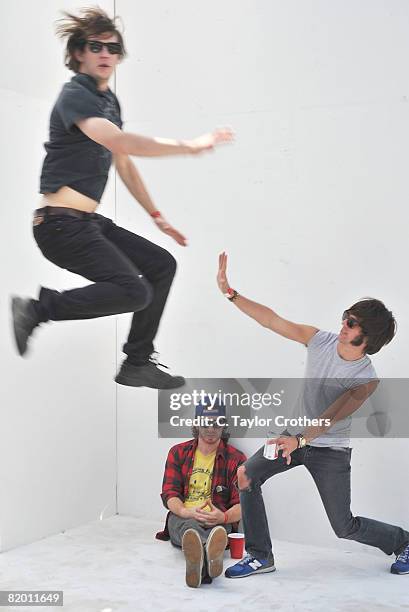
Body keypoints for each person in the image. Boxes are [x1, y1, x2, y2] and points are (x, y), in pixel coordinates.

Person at [11, 7, 233, 390]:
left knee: (162, 265)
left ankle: (137, 362)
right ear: (79, 52)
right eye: (95, 46)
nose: (104, 54)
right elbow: (116, 140)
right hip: (59, 226)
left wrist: (156, 214)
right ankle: (36, 309)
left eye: (112, 49)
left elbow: (124, 162)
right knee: (133, 291)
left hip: (87, 225)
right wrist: (189, 146)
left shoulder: (108, 101)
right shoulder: (75, 94)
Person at [216, 251, 409, 578]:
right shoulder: (319, 340)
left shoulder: (367, 378)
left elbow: (331, 416)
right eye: (346, 316)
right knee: (247, 474)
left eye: (351, 323)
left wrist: (299, 440)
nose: (343, 324)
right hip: (292, 439)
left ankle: (402, 541)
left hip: (329, 450)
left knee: (343, 526)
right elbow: (272, 320)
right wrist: (230, 293)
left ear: (367, 339)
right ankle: (260, 556)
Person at [156, 397, 247, 587]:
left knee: (218, 531)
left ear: (224, 426)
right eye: (206, 423)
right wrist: (185, 511)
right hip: (182, 517)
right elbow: (169, 494)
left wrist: (222, 517)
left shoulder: (236, 459)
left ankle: (198, 560)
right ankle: (209, 554)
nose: (211, 429)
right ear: (196, 424)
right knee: (190, 528)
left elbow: (243, 504)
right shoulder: (178, 452)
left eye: (217, 423)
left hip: (218, 521)